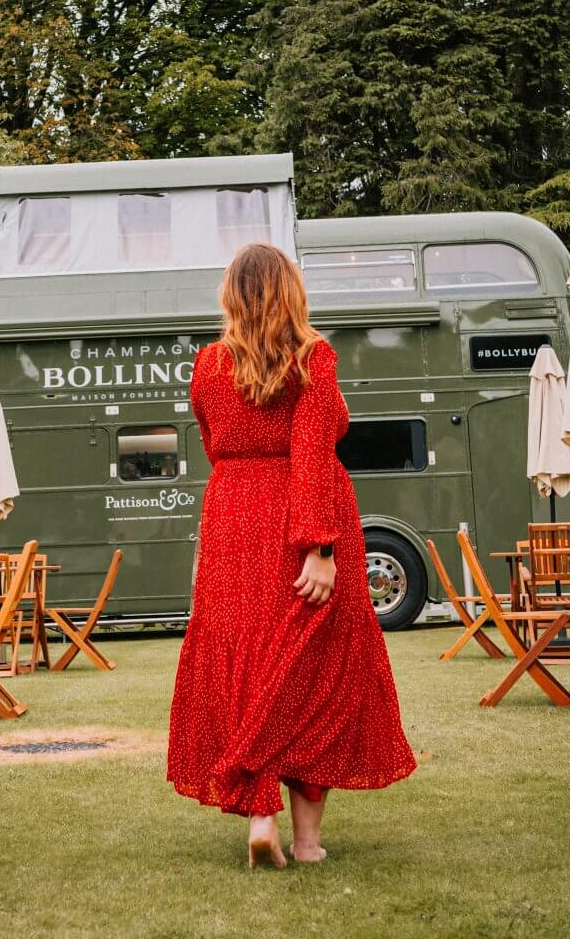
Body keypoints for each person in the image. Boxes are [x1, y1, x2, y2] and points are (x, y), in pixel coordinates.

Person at [167, 242, 417, 868]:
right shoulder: (314, 357)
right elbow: (310, 452)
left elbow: (215, 445)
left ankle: (259, 815)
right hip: (298, 518)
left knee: (247, 667)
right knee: (316, 676)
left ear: (231, 295)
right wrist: (321, 547)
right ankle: (305, 843)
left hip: (230, 519)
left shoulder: (206, 365)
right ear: (291, 292)